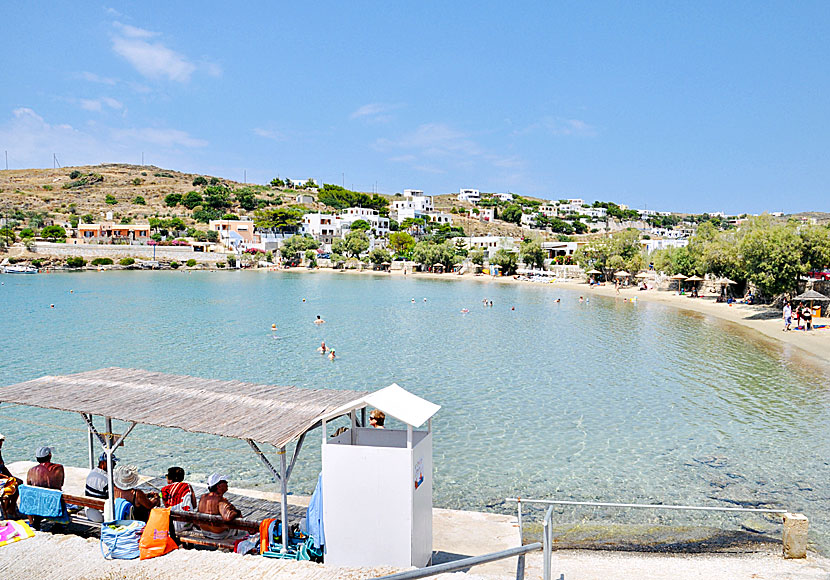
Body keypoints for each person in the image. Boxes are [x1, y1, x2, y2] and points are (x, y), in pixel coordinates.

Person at [26, 446, 65, 529]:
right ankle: (58, 523)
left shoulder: (31, 471)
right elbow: (61, 484)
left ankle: (33, 522)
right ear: (50, 456)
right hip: (54, 504)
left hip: (38, 506)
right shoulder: (58, 468)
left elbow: (29, 488)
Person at [197, 474, 244, 539]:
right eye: (224, 481)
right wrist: (237, 512)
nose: (227, 482)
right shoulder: (220, 499)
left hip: (205, 531)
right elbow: (228, 517)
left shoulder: (203, 497)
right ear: (218, 486)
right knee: (243, 531)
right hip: (219, 534)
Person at [161, 466, 196, 532]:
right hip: (187, 524)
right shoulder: (188, 486)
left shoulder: (164, 490)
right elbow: (194, 505)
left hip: (172, 526)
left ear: (170, 479)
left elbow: (167, 507)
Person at [0, 434, 21, 519]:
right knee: (12, 485)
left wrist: (10, 476)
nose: (1, 444)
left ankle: (11, 507)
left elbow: (3, 467)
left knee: (19, 482)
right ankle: (8, 508)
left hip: (2, 477)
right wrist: (6, 477)